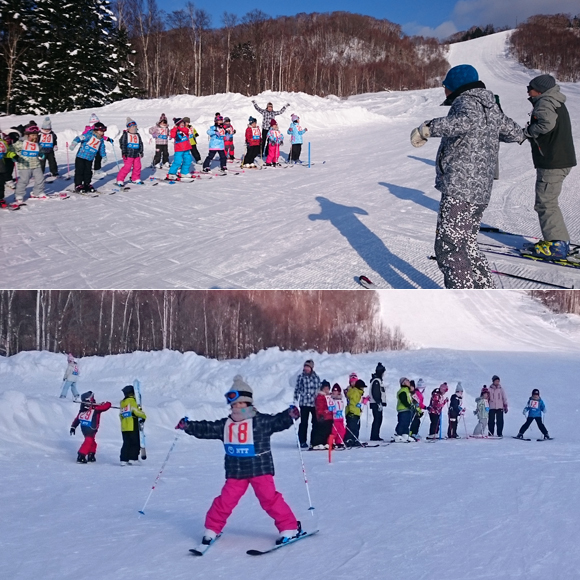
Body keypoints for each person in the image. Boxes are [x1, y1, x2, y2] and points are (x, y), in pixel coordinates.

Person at [410, 64, 524, 289]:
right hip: (480, 190)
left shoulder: (466, 101)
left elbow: (461, 123)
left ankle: (464, 298)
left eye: (446, 87)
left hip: (460, 188)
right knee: (467, 244)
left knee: (450, 246)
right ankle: (484, 293)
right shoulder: (490, 106)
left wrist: (427, 128)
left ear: (455, 87)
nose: (444, 91)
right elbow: (514, 132)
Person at [175, 376, 304, 547]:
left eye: (240, 404)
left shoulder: (260, 421)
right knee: (225, 500)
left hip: (260, 469)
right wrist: (189, 426)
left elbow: (277, 421)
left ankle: (290, 527)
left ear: (248, 403)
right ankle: (212, 528)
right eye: (234, 405)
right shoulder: (226, 424)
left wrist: (290, 415)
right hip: (236, 472)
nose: (237, 408)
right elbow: (207, 428)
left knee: (269, 499)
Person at [522, 74, 577, 259]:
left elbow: (546, 123)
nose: (528, 91)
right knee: (548, 201)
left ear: (540, 89)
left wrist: (529, 131)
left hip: (553, 162)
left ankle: (556, 245)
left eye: (530, 88)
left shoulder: (545, 102)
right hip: (559, 160)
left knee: (546, 203)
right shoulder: (554, 100)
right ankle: (558, 240)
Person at [70, 391, 112, 463]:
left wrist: (73, 427)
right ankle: (81, 456)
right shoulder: (96, 408)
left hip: (84, 427)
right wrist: (108, 403)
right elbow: (105, 407)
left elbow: (77, 419)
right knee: (89, 441)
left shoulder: (83, 409)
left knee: (92, 442)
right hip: (90, 428)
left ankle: (91, 455)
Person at [69, 121, 108, 193]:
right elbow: (79, 138)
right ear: (96, 130)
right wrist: (74, 143)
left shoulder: (101, 140)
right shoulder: (89, 135)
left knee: (88, 172)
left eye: (103, 131)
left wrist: (104, 156)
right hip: (81, 156)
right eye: (101, 131)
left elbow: (101, 148)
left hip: (90, 158)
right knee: (80, 171)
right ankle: (78, 185)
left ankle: (87, 184)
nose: (103, 133)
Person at [13, 125, 45, 203]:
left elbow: (40, 151)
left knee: (40, 179)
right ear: (27, 135)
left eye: (36, 135)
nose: (35, 137)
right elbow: (12, 148)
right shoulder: (21, 143)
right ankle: (19, 195)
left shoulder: (37, 144)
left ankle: (37, 192)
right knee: (24, 180)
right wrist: (14, 155)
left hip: (36, 164)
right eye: (33, 135)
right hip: (24, 165)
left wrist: (41, 154)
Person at [293, 359, 321, 448]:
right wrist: (295, 399)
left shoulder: (316, 378)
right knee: (304, 422)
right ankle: (302, 441)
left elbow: (319, 389)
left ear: (311, 368)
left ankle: (314, 441)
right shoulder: (301, 377)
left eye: (308, 367)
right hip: (304, 403)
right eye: (305, 367)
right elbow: (297, 389)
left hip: (314, 403)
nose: (306, 368)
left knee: (315, 422)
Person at [119, 384, 147, 465]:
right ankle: (133, 458)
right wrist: (143, 416)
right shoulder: (131, 401)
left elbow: (120, 415)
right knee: (135, 442)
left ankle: (124, 459)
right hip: (132, 425)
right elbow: (135, 411)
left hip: (124, 426)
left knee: (126, 443)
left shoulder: (122, 403)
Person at [116, 117, 144, 186]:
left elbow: (140, 143)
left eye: (135, 127)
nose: (134, 128)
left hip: (136, 154)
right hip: (128, 154)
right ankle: (120, 180)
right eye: (133, 127)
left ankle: (135, 178)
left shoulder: (137, 135)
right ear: (128, 128)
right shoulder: (126, 135)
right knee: (127, 167)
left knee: (138, 166)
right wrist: (124, 152)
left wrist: (141, 151)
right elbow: (122, 143)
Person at [311, 380, 333, 449]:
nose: (326, 390)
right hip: (323, 416)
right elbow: (319, 407)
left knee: (328, 430)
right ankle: (317, 443)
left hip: (329, 416)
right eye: (325, 389)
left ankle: (325, 442)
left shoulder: (329, 396)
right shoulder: (320, 397)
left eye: (327, 389)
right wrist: (320, 414)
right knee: (321, 430)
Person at [344, 379, 366, 447]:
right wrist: (352, 412)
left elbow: (357, 403)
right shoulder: (355, 392)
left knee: (356, 427)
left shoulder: (359, 393)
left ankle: (354, 439)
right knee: (352, 427)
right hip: (352, 413)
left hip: (356, 412)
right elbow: (352, 403)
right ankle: (349, 440)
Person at [369, 362, 386, 441]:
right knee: (377, 419)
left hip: (377, 403)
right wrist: (379, 402)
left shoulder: (378, 380)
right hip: (376, 403)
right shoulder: (376, 381)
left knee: (379, 419)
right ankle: (374, 436)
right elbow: (376, 393)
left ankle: (376, 435)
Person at [393, 377, 414, 442]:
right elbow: (403, 400)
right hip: (403, 409)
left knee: (407, 423)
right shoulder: (402, 391)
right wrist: (408, 405)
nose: (409, 382)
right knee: (402, 422)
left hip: (407, 410)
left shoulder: (407, 390)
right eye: (407, 381)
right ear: (403, 382)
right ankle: (398, 434)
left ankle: (405, 434)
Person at [0, 132, 17, 210]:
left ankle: (0, 199)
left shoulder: (2, 142)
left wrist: (13, 155)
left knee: (0, 185)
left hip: (1, 167)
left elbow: (5, 153)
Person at [329, 383, 346, 448]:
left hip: (340, 418)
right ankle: (332, 442)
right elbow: (330, 407)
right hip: (334, 418)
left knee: (341, 430)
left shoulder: (341, 400)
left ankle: (339, 442)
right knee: (334, 431)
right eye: (334, 391)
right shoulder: (331, 399)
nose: (335, 393)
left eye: (337, 391)